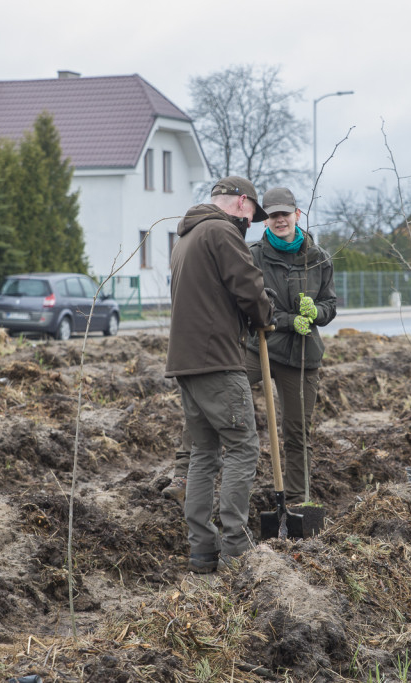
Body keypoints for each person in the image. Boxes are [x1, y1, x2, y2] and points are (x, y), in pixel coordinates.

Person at [165, 176, 274, 574]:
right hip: (218, 362)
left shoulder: (186, 239)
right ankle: (235, 548)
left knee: (203, 454)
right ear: (242, 204)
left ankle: (202, 550)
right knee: (244, 446)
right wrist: (265, 315)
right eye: (252, 215)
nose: (252, 224)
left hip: (186, 364)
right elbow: (247, 286)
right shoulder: (223, 233)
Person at [244, 187, 337, 506]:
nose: (280, 220)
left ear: (298, 215)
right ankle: (194, 473)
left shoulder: (318, 258)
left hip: (301, 354)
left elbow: (330, 304)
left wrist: (317, 313)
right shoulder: (253, 256)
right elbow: (249, 303)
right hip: (261, 347)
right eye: (273, 215)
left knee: (298, 433)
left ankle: (297, 500)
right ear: (265, 221)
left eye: (285, 213)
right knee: (222, 389)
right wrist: (286, 320)